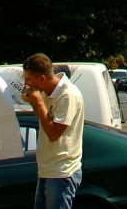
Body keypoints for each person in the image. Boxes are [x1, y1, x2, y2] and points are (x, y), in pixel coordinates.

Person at [20, 54, 85, 209]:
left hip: (62, 172)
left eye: (28, 79)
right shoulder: (45, 91)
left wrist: (38, 103)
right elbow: (42, 118)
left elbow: (53, 134)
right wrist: (32, 99)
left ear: (41, 78)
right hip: (46, 169)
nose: (26, 83)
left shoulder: (67, 95)